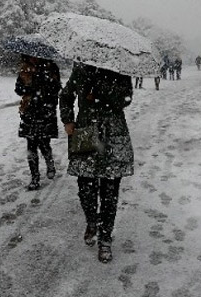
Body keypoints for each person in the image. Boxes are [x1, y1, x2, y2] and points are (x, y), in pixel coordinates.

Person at [59, 63, 134, 263]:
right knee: (85, 187)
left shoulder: (120, 69)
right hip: (86, 132)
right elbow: (65, 95)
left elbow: (126, 99)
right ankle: (92, 221)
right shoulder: (81, 68)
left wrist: (100, 93)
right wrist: (67, 120)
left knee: (110, 191)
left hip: (113, 135)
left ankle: (106, 238)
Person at [14, 54, 61, 191]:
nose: (34, 58)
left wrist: (43, 84)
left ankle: (50, 164)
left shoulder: (51, 68)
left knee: (44, 143)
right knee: (31, 145)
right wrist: (30, 88)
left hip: (45, 111)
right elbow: (18, 89)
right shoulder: (25, 69)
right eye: (31, 56)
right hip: (29, 111)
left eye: (36, 56)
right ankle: (35, 177)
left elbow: (56, 89)